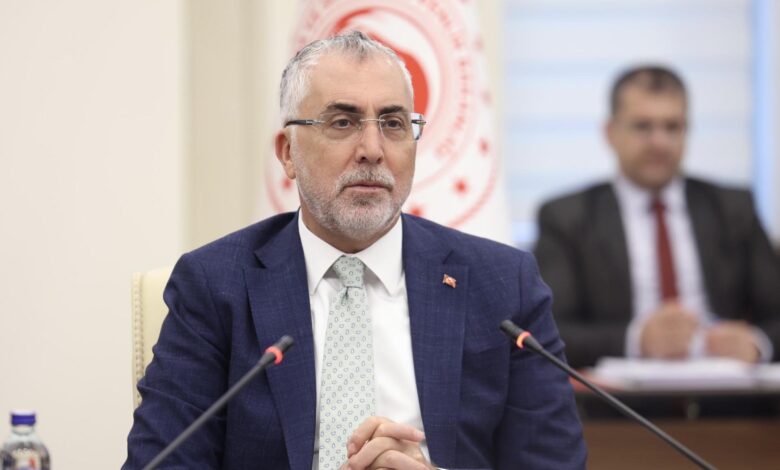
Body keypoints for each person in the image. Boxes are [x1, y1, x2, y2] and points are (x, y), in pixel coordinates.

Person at [123, 31, 586, 470]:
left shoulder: (503, 285)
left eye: (393, 123)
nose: (372, 149)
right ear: (287, 152)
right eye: (342, 122)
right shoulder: (215, 285)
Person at [535, 65, 780, 370]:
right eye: (643, 126)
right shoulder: (567, 218)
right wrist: (636, 340)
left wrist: (757, 343)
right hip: (619, 395)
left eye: (672, 127)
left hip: (726, 390)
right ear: (610, 133)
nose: (660, 142)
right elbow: (549, 331)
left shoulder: (734, 208)